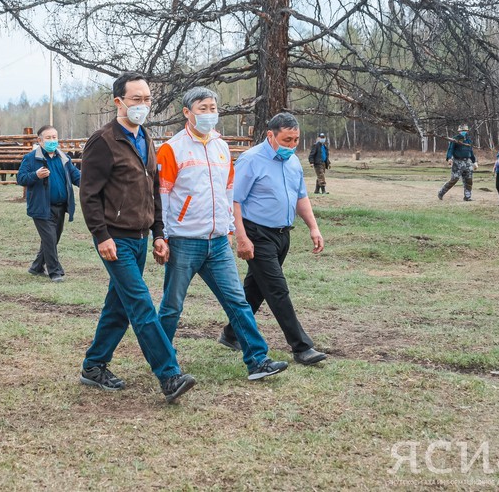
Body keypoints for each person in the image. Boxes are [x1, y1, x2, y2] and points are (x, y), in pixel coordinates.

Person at [78, 72, 196, 403]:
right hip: (114, 240)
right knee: (141, 304)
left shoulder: (146, 137)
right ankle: (170, 375)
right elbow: (88, 195)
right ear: (119, 102)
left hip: (141, 237)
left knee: (118, 306)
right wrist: (101, 236)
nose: (143, 105)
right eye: (136, 99)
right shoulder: (103, 141)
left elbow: (153, 190)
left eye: (147, 99)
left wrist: (159, 232)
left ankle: (94, 365)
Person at [156, 87, 289, 381]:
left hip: (217, 243)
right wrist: (162, 236)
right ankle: (162, 359)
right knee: (172, 306)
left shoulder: (221, 146)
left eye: (213, 107)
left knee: (238, 301)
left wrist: (230, 228)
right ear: (187, 112)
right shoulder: (171, 149)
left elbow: (228, 191)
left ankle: (258, 360)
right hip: (184, 241)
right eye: (202, 108)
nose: (209, 113)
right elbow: (162, 196)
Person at [218, 112, 328, 366]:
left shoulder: (293, 162)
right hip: (257, 234)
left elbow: (301, 197)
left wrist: (313, 227)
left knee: (256, 290)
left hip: (282, 235)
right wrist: (241, 236)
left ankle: (231, 333)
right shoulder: (251, 160)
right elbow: (234, 200)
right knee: (277, 290)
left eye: (296, 140)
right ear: (271, 135)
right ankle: (301, 347)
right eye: (287, 140)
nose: (291, 145)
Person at [16, 125, 81, 282]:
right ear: (40, 140)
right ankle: (55, 271)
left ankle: (36, 267)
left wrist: (91, 184)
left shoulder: (64, 158)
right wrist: (36, 175)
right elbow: (21, 178)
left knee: (52, 239)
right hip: (41, 206)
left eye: (54, 137)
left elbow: (76, 176)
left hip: (60, 206)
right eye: (48, 138)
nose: (52, 140)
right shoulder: (31, 158)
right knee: (50, 239)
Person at [438, 123, 478, 202]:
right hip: (457, 161)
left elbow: (471, 151)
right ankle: (441, 192)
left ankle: (467, 197)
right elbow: (450, 149)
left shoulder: (469, 140)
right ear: (459, 131)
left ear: (467, 131)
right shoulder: (455, 139)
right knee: (454, 179)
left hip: (468, 162)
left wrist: (475, 161)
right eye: (462, 130)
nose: (464, 132)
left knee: (469, 180)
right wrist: (449, 158)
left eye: (465, 130)